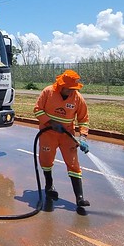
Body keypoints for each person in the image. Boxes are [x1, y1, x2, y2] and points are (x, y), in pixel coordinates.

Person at [33, 69, 91, 215]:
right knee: (46, 161)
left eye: (74, 89)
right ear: (61, 85)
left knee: (73, 164)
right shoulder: (48, 92)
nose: (71, 91)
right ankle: (49, 186)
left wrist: (82, 137)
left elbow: (83, 119)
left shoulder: (77, 98)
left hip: (67, 135)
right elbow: (37, 110)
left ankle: (79, 197)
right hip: (48, 133)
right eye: (69, 88)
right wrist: (51, 122)